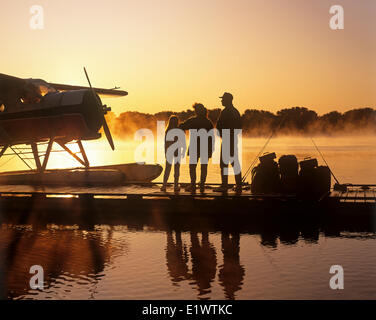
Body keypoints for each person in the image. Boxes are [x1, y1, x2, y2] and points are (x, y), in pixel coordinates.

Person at [179, 103, 214, 193]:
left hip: (195, 147)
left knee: (192, 167)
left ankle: (193, 184)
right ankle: (202, 184)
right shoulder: (208, 122)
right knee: (204, 167)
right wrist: (211, 149)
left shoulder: (193, 121)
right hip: (205, 148)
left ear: (198, 111)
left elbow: (182, 126)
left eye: (196, 110)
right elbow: (212, 137)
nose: (195, 111)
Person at [214, 92, 242, 194]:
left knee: (224, 164)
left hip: (226, 139)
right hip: (233, 139)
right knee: (235, 163)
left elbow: (220, 125)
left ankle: (224, 185)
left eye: (223, 99)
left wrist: (221, 134)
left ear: (228, 100)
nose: (221, 101)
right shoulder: (236, 111)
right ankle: (238, 185)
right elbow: (239, 127)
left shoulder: (226, 112)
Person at [161, 115, 185, 192]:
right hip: (177, 151)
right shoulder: (179, 130)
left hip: (169, 151)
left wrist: (165, 152)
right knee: (176, 169)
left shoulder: (168, 130)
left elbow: (166, 143)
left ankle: (164, 186)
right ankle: (175, 186)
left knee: (167, 169)